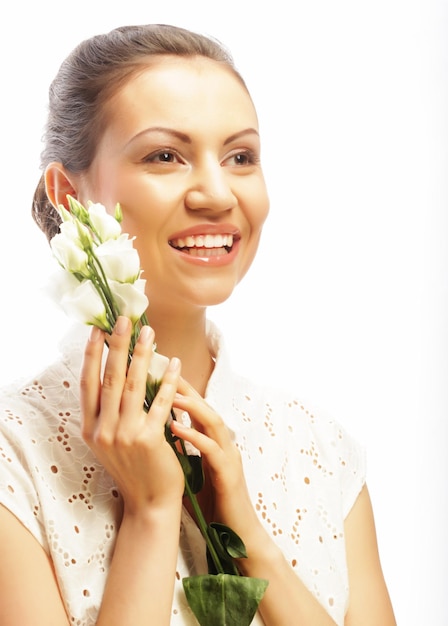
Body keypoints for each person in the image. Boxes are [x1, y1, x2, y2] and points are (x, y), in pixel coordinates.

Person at [0, 24, 396, 626]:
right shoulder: (14, 457)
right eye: (165, 155)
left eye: (241, 157)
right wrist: (154, 512)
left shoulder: (321, 452)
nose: (216, 193)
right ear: (67, 195)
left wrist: (249, 538)